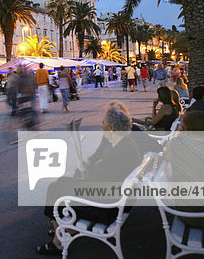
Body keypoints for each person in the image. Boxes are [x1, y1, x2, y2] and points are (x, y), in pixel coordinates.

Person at [37, 101, 143, 256]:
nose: (101, 127)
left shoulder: (117, 153)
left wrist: (87, 171)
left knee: (56, 188)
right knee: (61, 183)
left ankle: (58, 240)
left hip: (106, 208)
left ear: (112, 128)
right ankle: (60, 227)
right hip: (118, 201)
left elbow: (97, 183)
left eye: (103, 125)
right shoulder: (127, 143)